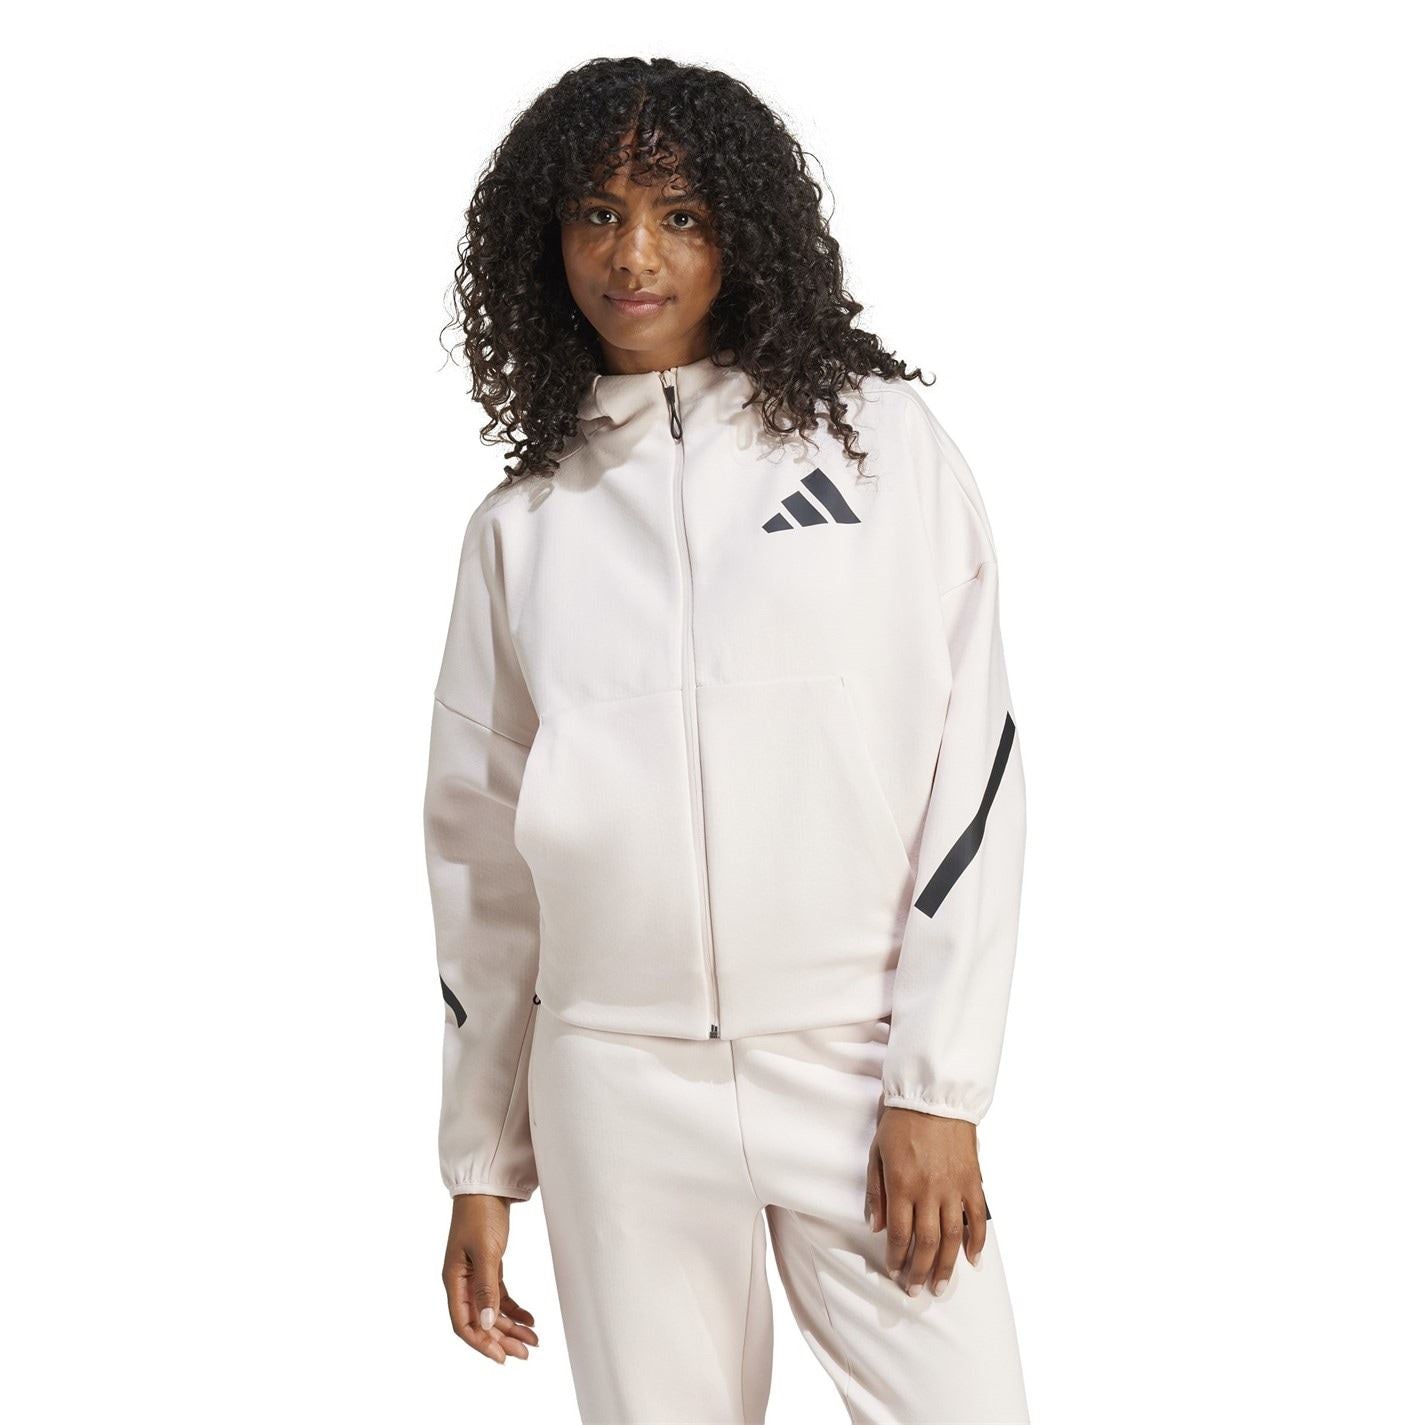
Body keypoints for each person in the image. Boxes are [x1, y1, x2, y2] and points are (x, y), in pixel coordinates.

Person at [423, 56, 1032, 1424]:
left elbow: (975, 773)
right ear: (546, 240)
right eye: (597, 213)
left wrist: (937, 1084)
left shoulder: (876, 448)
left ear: (741, 234)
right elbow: (479, 862)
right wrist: (481, 1160)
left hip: (853, 1062)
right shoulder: (523, 524)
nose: (632, 254)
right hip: (614, 1080)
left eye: (680, 215)